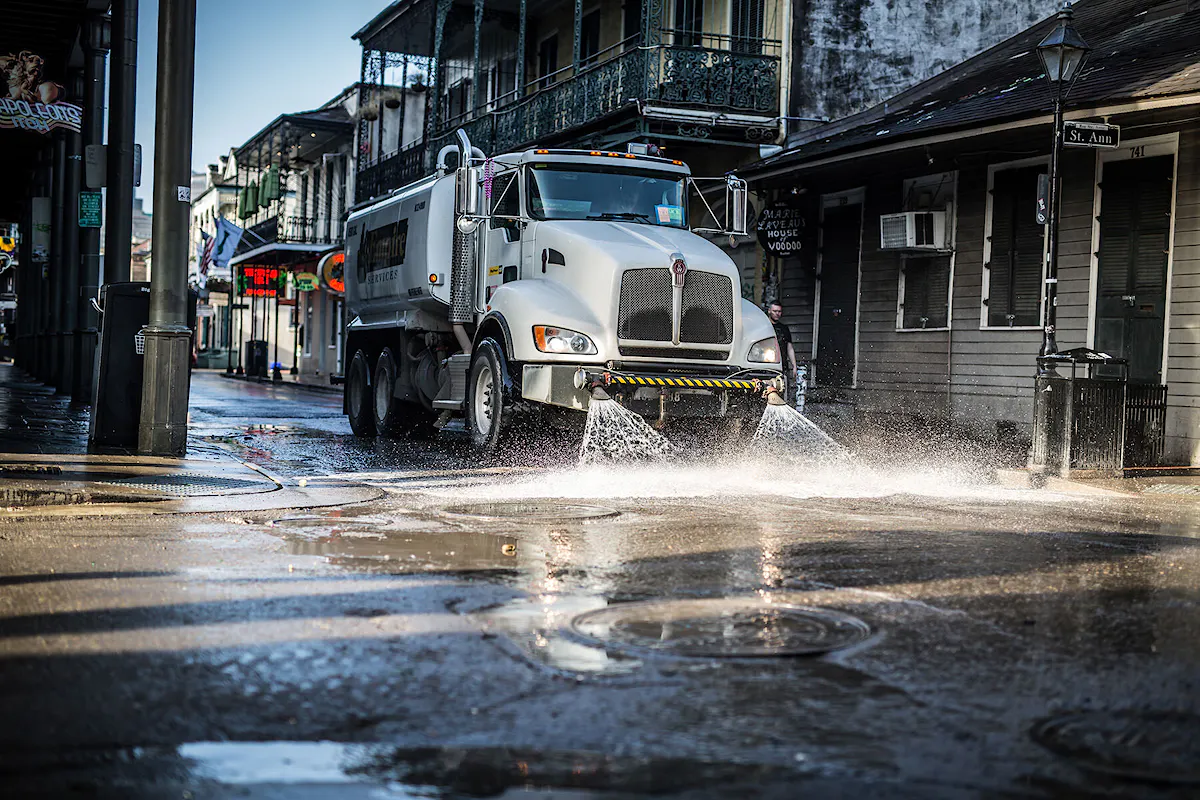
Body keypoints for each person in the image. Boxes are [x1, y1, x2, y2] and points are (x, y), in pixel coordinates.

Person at [766, 301, 798, 404]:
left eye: (779, 311)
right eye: (775, 311)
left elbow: (789, 347)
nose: (777, 313)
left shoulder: (784, 328)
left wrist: (794, 365)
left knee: (784, 392)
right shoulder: (764, 326)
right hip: (766, 367)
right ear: (769, 311)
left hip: (782, 367)